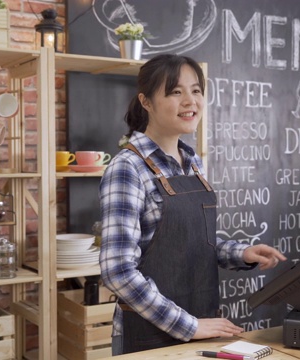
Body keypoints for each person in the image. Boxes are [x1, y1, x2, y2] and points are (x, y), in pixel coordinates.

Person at [98, 54, 287, 355]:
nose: (190, 101)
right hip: (150, 335)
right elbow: (117, 271)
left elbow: (194, 241)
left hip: (203, 323)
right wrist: (189, 326)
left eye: (196, 90)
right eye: (176, 91)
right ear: (146, 102)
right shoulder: (128, 168)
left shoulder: (192, 163)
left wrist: (241, 253)